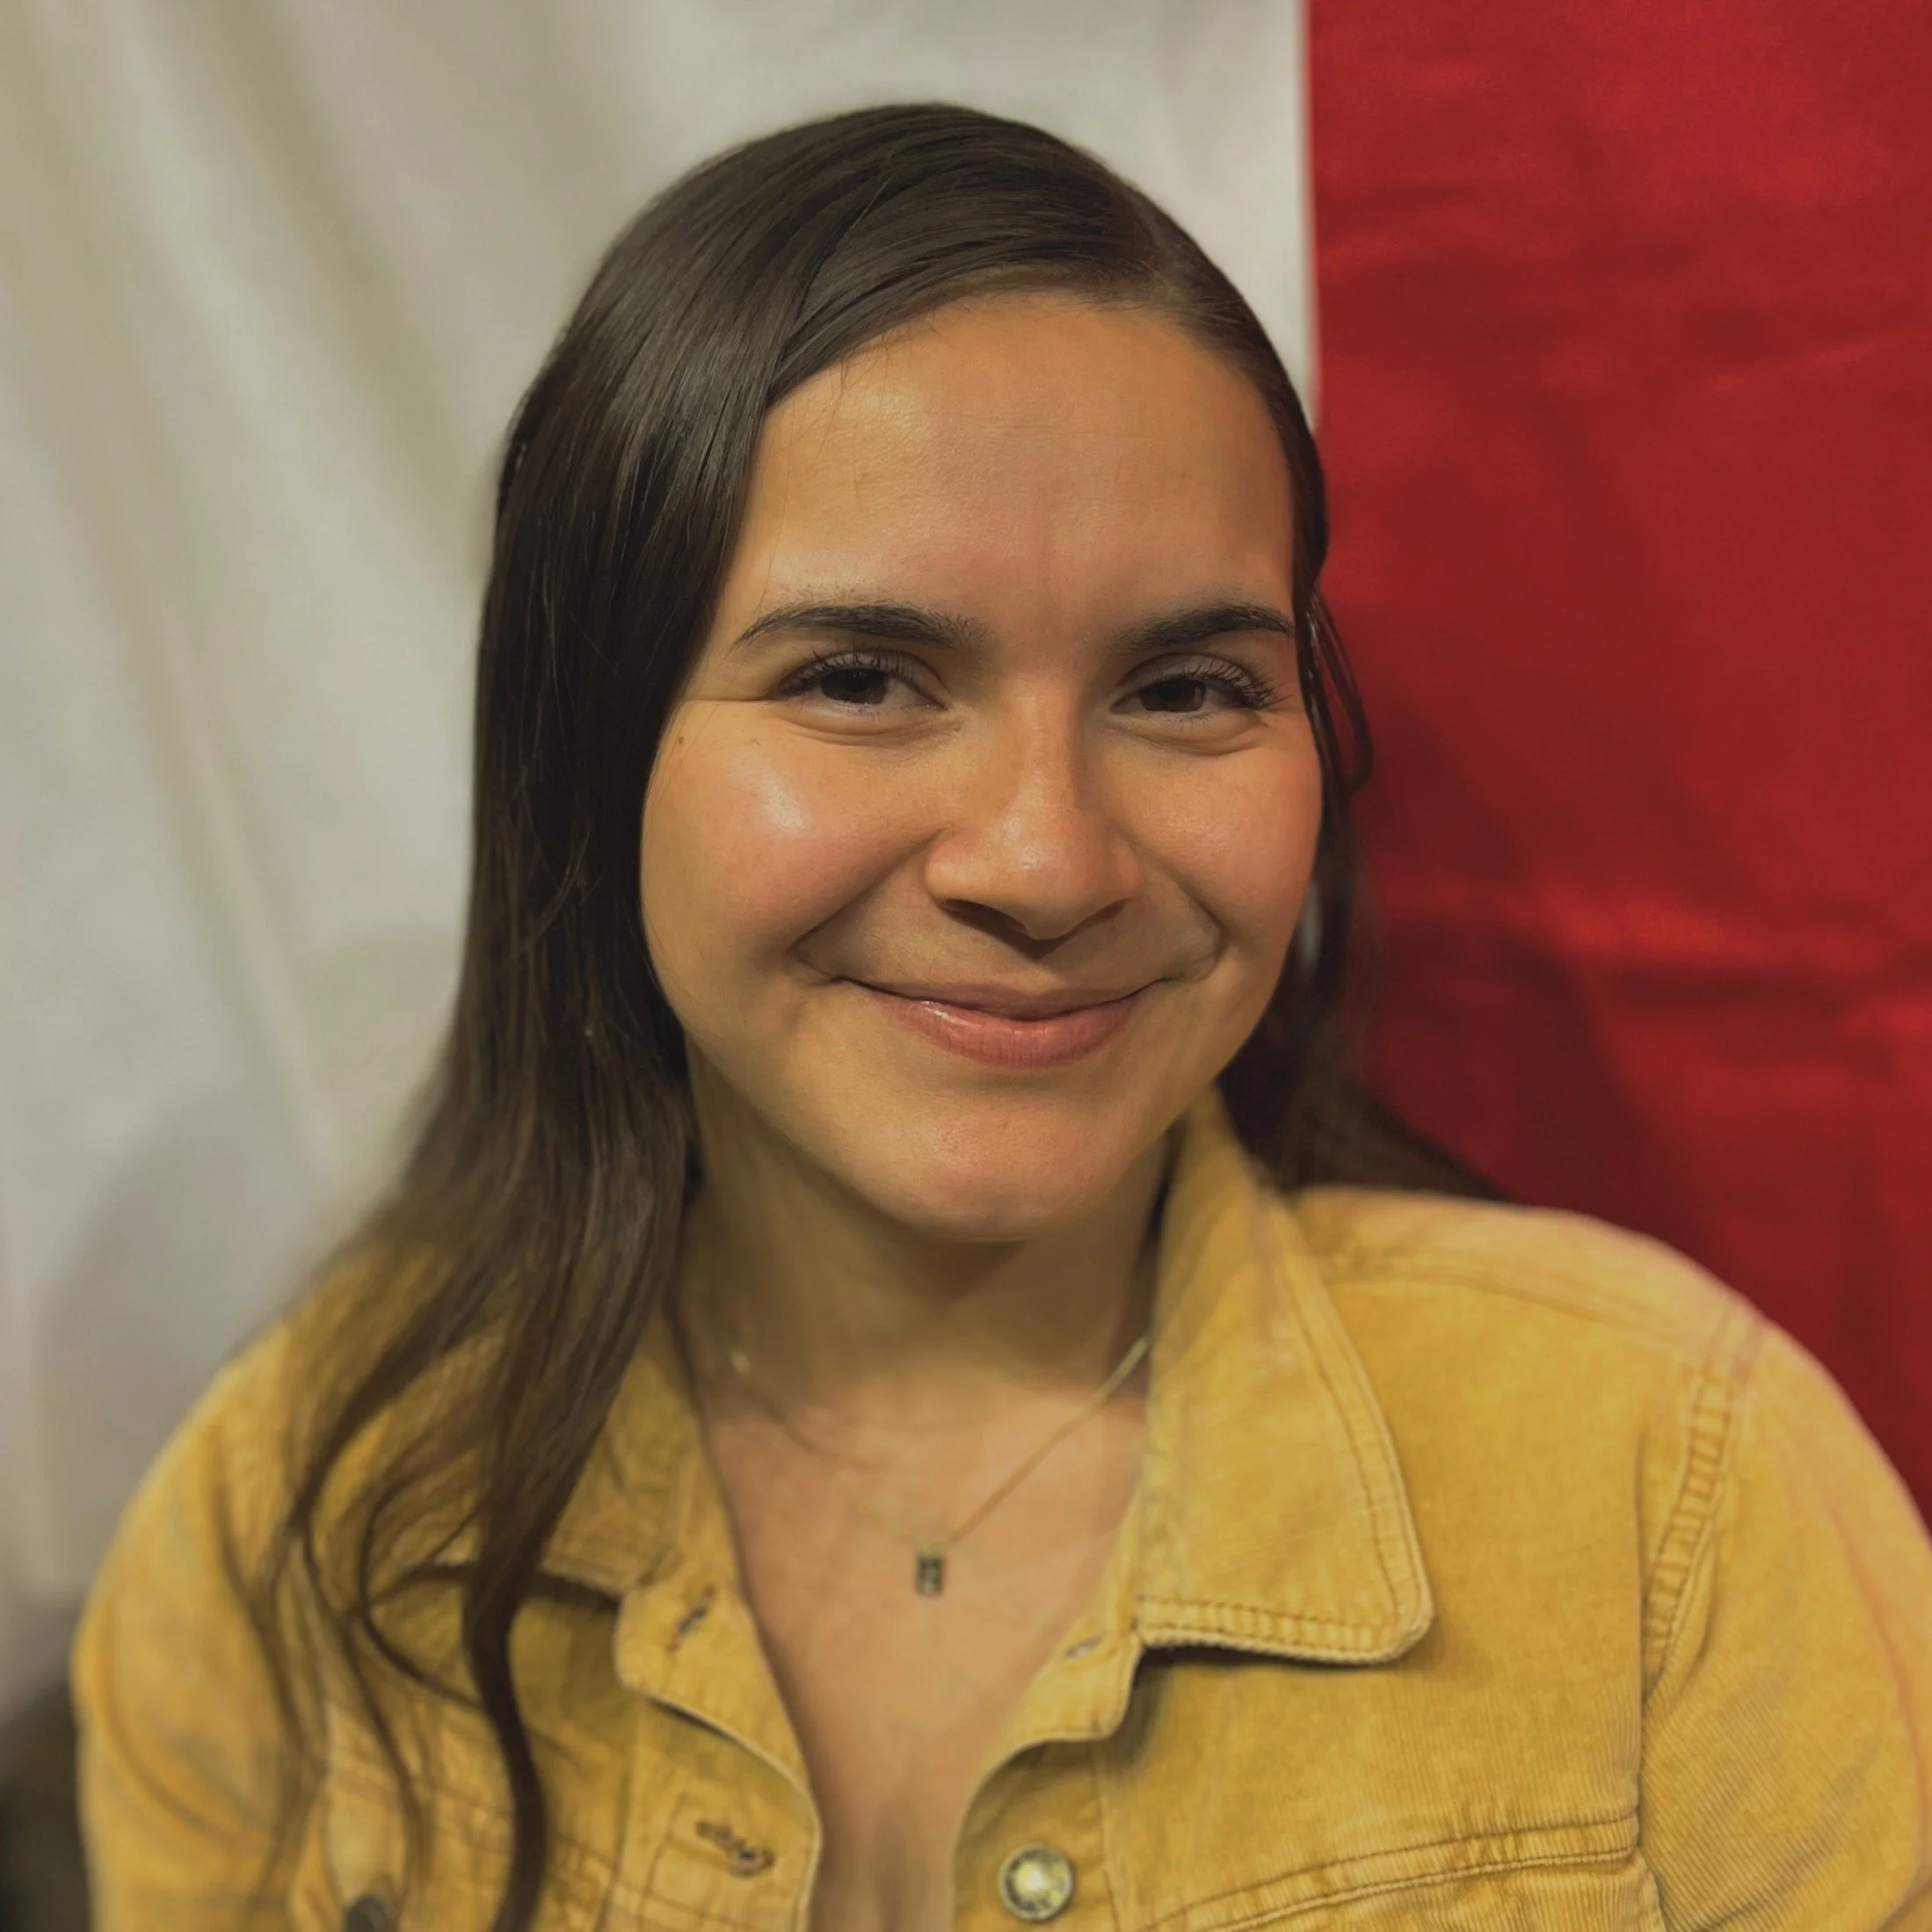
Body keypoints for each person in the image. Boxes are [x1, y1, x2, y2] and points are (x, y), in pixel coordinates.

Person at [72, 103, 1932, 1932]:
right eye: (864, 676)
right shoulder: (294, 1513)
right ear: (591, 749)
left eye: (1187, 686)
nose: (1045, 860)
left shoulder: (1675, 1497)